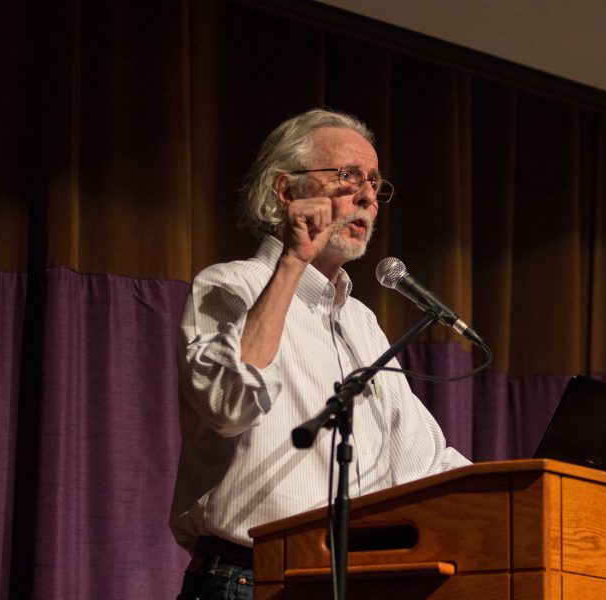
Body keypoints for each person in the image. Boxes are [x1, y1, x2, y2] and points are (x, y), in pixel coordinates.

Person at [171, 108, 470, 600]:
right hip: (250, 582)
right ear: (287, 191)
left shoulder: (362, 322)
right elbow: (228, 404)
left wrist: (525, 493)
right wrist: (292, 263)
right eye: (347, 176)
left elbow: (421, 460)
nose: (368, 196)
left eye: (375, 182)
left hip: (351, 583)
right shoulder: (228, 285)